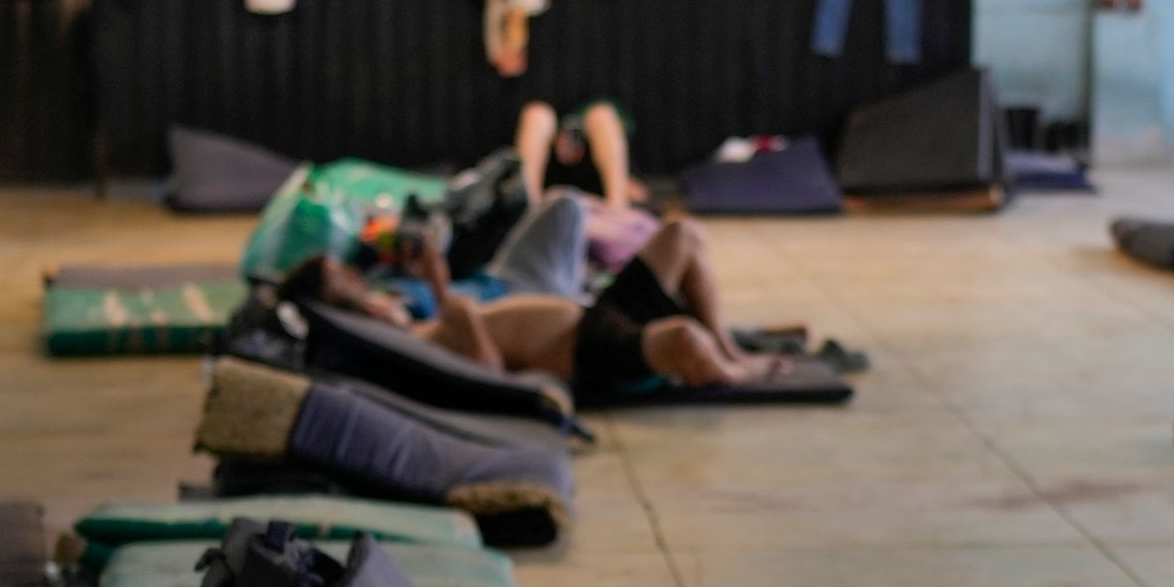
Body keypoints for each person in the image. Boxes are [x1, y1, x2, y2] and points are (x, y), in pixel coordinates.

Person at [282, 215, 797, 398]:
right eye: (337, 275)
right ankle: (734, 373)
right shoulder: (396, 343)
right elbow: (486, 376)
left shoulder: (397, 314)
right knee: (685, 338)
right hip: (589, 351)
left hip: (594, 313)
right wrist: (451, 305)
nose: (350, 274)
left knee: (682, 234)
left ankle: (728, 347)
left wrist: (437, 291)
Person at [514, 98, 642, 209]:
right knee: (537, 115)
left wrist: (628, 179)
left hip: (598, 188)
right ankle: (527, 206)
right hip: (545, 187)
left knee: (602, 114)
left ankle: (618, 207)